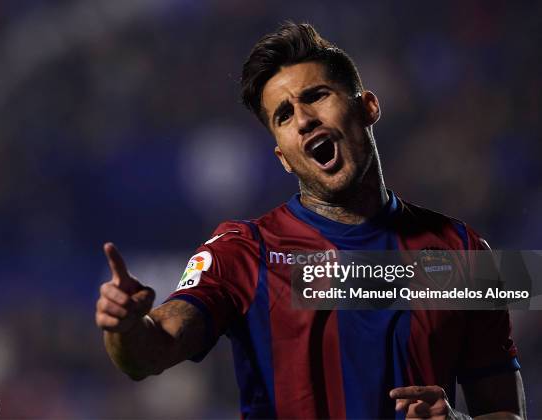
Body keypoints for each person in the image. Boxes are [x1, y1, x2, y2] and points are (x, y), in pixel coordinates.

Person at [95, 22, 526, 419]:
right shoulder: (244, 252)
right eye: (283, 115)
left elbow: (508, 413)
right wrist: (126, 328)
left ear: (368, 106)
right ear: (282, 156)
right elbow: (149, 352)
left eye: (316, 95)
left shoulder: (462, 252)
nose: (302, 119)